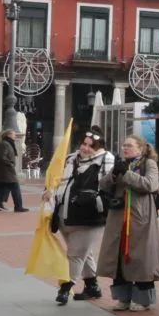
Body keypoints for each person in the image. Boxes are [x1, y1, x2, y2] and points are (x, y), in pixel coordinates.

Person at [100, 134, 159, 311]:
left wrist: (126, 174)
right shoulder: (120, 163)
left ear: (140, 149)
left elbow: (150, 184)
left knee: (141, 257)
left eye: (129, 145)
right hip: (118, 215)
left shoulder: (148, 163)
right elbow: (103, 185)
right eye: (124, 145)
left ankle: (143, 298)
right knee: (118, 255)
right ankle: (123, 297)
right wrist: (113, 175)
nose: (125, 148)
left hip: (139, 216)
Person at [52, 129, 110, 305]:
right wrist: (51, 193)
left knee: (75, 254)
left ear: (99, 147)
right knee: (84, 252)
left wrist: (98, 199)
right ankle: (92, 286)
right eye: (83, 144)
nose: (85, 148)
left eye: (90, 146)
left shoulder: (106, 160)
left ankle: (66, 287)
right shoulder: (71, 159)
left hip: (89, 217)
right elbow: (60, 181)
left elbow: (109, 186)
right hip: (66, 216)